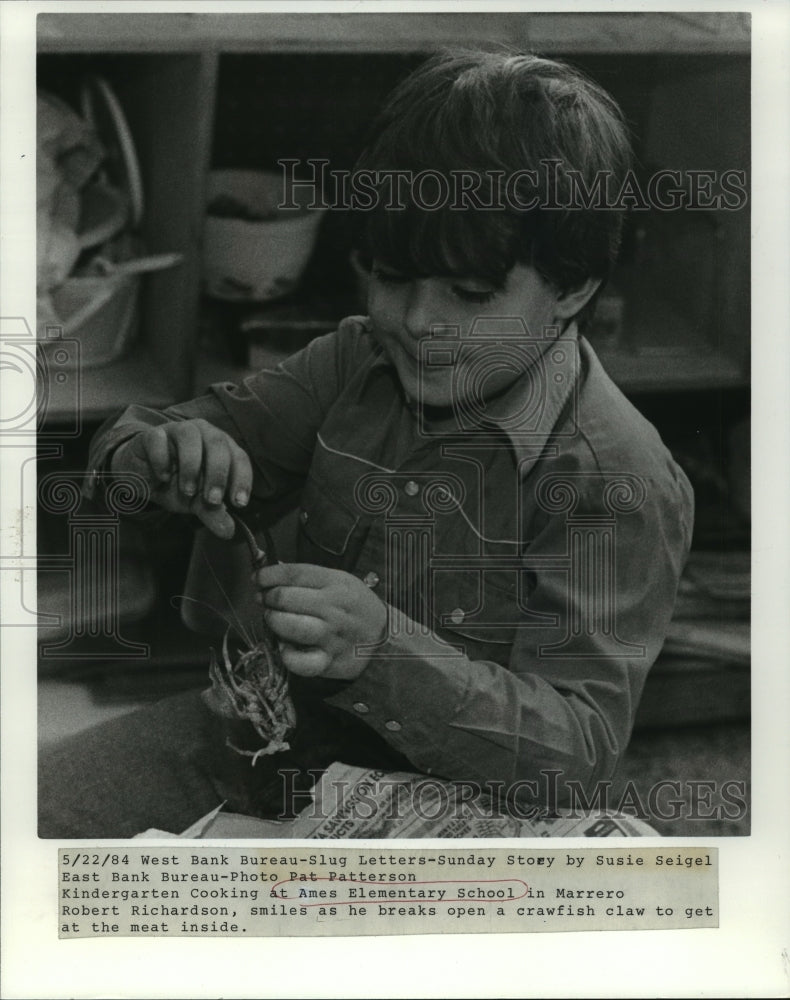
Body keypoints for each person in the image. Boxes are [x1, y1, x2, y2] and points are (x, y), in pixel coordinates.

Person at [39, 50, 693, 838]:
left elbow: (574, 760)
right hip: (268, 745)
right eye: (390, 275)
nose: (418, 320)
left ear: (573, 287)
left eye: (470, 294)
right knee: (31, 822)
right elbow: (141, 444)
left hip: (468, 808)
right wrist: (152, 459)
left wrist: (383, 652)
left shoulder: (616, 477)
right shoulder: (357, 360)